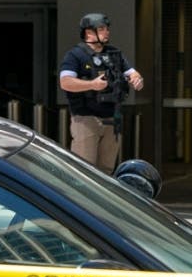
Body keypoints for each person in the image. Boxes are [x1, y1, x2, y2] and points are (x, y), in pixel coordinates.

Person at [59, 13, 143, 174]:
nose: (107, 32)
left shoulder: (114, 54)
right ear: (89, 33)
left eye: (106, 29)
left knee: (106, 169)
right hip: (86, 118)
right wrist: (92, 84)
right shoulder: (75, 55)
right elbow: (66, 82)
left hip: (112, 118)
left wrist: (136, 79)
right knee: (83, 169)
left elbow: (133, 73)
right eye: (102, 29)